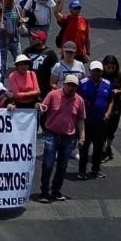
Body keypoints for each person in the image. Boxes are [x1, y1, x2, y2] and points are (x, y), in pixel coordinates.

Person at [36, 75, 85, 203]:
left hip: (69, 137)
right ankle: (44, 192)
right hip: (52, 134)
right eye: (69, 85)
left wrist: (82, 137)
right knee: (48, 164)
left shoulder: (79, 101)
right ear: (64, 84)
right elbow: (43, 108)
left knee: (62, 166)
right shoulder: (53, 95)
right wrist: (40, 107)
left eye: (73, 86)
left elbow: (80, 120)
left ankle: (56, 190)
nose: (70, 88)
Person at [77, 61, 114, 180]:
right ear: (90, 71)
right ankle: (82, 171)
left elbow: (111, 100)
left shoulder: (108, 83)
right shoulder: (82, 84)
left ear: (102, 71)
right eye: (94, 70)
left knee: (99, 147)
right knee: (84, 147)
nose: (96, 73)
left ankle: (95, 169)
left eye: (99, 70)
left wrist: (108, 113)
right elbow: (76, 98)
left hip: (101, 121)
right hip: (87, 121)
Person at [101, 55, 121, 162]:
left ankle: (108, 147)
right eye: (108, 67)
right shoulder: (100, 74)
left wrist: (118, 91)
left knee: (112, 130)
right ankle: (102, 150)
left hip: (115, 106)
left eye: (113, 67)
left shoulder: (119, 76)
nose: (111, 70)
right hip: (102, 105)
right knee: (103, 129)